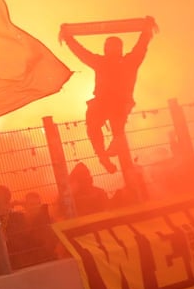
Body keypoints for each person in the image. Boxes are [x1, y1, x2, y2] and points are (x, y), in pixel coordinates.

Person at [59, 17, 156, 173]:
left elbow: (141, 46)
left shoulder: (128, 61)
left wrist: (146, 31)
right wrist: (69, 38)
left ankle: (115, 144)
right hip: (105, 103)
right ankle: (104, 155)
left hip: (120, 103)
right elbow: (82, 53)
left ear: (119, 48)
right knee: (93, 126)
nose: (109, 48)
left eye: (112, 46)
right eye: (108, 46)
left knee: (115, 127)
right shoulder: (105, 62)